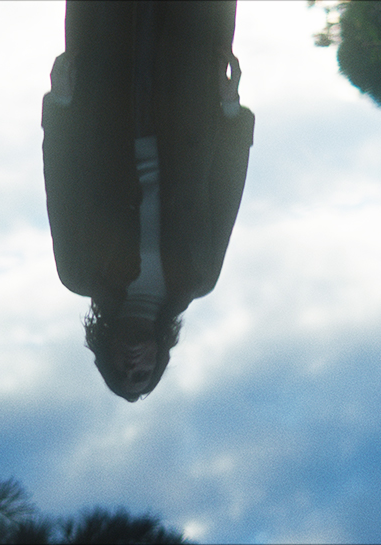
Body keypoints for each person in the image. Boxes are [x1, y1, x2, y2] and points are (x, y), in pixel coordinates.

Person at [42, 1, 254, 401]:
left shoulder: (81, 274)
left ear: (106, 356)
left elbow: (61, 185)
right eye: (142, 374)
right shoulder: (198, 278)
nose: (132, 365)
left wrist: (61, 105)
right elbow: (227, 190)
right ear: (159, 359)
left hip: (109, 115)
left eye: (120, 371)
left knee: (112, 18)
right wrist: (230, 108)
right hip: (189, 113)